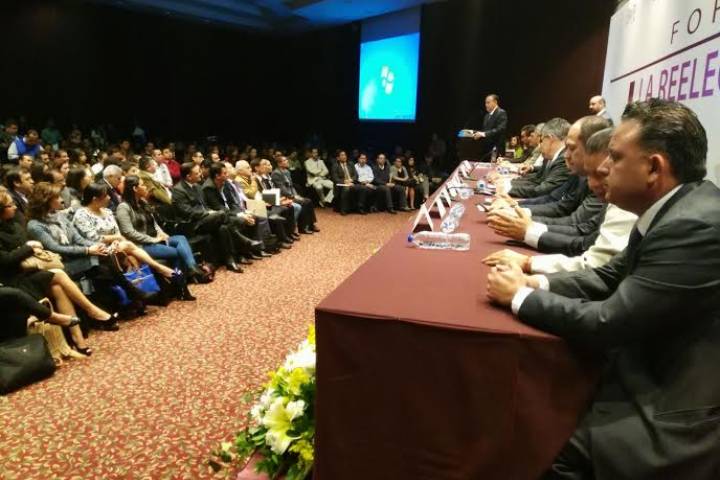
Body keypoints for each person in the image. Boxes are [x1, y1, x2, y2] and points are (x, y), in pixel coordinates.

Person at [487, 99, 720, 479]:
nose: (604, 167)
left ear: (654, 168)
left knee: (540, 446)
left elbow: (609, 322)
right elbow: (608, 276)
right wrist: (535, 281)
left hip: (674, 409)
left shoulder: (691, 226)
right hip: (647, 367)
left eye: (616, 156)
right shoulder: (676, 208)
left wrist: (519, 297)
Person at [483, 127, 637, 274]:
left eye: (571, 148)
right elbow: (561, 205)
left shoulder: (625, 202)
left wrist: (528, 236)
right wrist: (519, 214)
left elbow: (586, 244)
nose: (566, 155)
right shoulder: (606, 189)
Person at [0, 187, 116, 355]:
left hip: (29, 271)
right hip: (11, 279)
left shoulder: (16, 224)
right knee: (60, 274)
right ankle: (92, 311)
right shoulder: (33, 225)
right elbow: (5, 261)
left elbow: (30, 247)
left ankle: (77, 342)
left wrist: (94, 247)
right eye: (10, 205)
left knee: (58, 287)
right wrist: (28, 247)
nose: (15, 207)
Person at [73, 182, 177, 280]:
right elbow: (93, 237)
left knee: (131, 255)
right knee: (128, 246)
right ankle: (159, 268)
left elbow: (117, 232)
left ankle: (157, 282)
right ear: (95, 199)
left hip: (116, 246)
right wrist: (117, 238)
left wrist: (116, 240)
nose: (109, 197)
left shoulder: (107, 212)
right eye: (105, 196)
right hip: (96, 250)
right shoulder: (81, 214)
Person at [117, 175, 207, 288]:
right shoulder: (123, 207)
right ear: (135, 189)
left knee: (181, 238)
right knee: (178, 252)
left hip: (156, 239)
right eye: (143, 185)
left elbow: (153, 223)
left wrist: (161, 233)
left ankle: (192, 268)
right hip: (141, 245)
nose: (146, 187)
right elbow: (128, 232)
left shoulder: (142, 202)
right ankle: (181, 285)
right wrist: (152, 239)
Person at [172, 162, 247, 273]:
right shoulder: (178, 190)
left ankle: (230, 260)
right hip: (191, 224)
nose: (201, 174)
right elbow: (187, 212)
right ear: (188, 176)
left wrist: (209, 212)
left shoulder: (197, 186)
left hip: (205, 221)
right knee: (220, 214)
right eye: (197, 173)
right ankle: (240, 238)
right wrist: (207, 213)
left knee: (222, 228)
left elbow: (205, 206)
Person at [202, 163, 272, 258]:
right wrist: (240, 215)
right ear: (217, 176)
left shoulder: (227, 183)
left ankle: (256, 249)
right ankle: (247, 250)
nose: (227, 174)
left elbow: (232, 203)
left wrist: (243, 212)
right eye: (225, 173)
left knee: (256, 216)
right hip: (219, 215)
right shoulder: (209, 187)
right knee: (242, 220)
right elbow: (219, 207)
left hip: (234, 209)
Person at [271, 156, 319, 233]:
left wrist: (296, 195)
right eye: (285, 160)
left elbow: (291, 186)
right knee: (305, 202)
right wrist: (293, 196)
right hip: (283, 196)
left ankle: (311, 224)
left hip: (291, 194)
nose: (287, 161)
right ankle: (303, 228)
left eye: (287, 160)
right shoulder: (276, 173)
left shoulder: (287, 172)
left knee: (308, 201)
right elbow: (282, 189)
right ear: (279, 164)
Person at [471, 94, 508, 159]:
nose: (486, 105)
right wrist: (476, 134)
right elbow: (485, 131)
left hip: (497, 149)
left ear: (495, 102)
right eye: (485, 103)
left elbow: (500, 129)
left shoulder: (501, 113)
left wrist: (483, 134)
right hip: (486, 150)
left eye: (488, 102)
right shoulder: (486, 116)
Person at [330, 150, 364, 215]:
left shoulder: (351, 164)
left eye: (345, 155)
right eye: (342, 155)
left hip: (351, 183)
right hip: (341, 185)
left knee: (362, 188)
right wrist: (344, 181)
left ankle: (360, 208)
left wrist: (351, 180)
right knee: (346, 189)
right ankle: (344, 209)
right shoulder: (335, 165)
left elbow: (356, 175)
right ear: (338, 158)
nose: (344, 156)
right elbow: (335, 178)